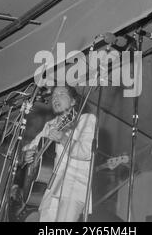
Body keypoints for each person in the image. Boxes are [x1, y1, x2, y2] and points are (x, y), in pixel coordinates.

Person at [22, 85, 96, 222]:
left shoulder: (86, 119)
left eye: (61, 94)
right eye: (54, 96)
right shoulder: (49, 125)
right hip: (49, 190)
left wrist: (63, 138)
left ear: (73, 101)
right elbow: (29, 147)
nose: (55, 98)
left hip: (72, 188)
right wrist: (28, 154)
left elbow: (85, 152)